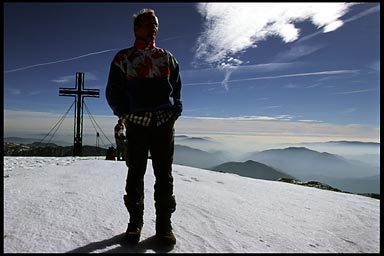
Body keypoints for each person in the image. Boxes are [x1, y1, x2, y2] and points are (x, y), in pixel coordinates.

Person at [105, 8, 182, 246]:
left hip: (163, 124)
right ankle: (134, 223)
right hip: (137, 125)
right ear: (136, 28)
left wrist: (174, 110)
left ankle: (164, 226)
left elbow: (176, 88)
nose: (154, 28)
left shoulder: (167, 57)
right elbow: (113, 91)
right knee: (135, 174)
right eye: (148, 24)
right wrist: (124, 113)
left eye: (156, 24)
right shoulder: (123, 58)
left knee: (164, 175)